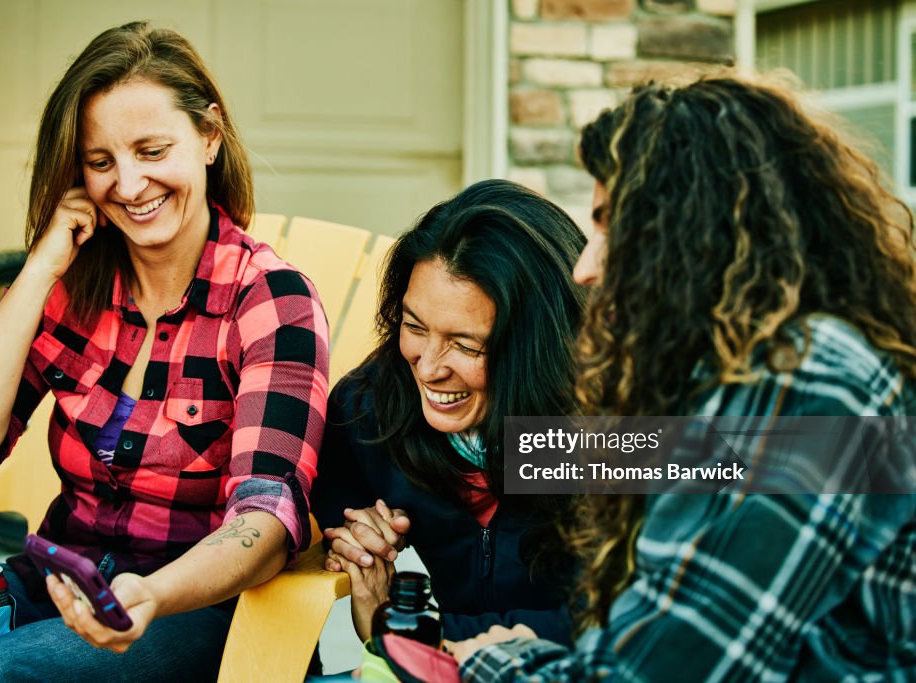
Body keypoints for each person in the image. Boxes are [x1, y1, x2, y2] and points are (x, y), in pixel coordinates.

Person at [0, 21, 328, 681]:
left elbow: (266, 519)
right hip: (56, 588)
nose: (127, 185)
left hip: (194, 610)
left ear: (209, 136)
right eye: (101, 162)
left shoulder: (268, 301)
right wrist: (40, 267)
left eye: (152, 150)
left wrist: (151, 594)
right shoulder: (73, 291)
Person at [452, 72, 916, 680]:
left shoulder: (806, 382)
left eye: (609, 223)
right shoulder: (753, 381)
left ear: (689, 230)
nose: (587, 268)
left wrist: (489, 660)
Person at [311, 179, 586, 649]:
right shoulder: (371, 410)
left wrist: (405, 634)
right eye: (414, 326)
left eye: (465, 344)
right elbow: (331, 515)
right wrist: (360, 541)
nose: (430, 368)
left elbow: (631, 623)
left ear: (540, 348)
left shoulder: (613, 430)